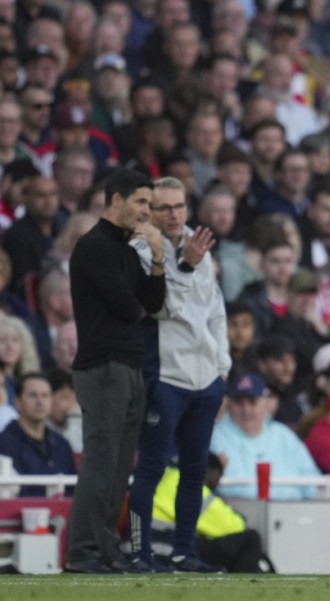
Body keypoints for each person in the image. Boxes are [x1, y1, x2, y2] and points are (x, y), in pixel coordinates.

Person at [65, 168, 166, 575]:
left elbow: (152, 304)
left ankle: (106, 550)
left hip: (128, 363)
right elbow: (127, 307)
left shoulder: (125, 249)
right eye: (141, 201)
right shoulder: (95, 247)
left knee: (120, 465)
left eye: (150, 204)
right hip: (104, 364)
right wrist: (137, 301)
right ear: (116, 200)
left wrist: (158, 259)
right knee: (101, 462)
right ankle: (82, 552)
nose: (147, 212)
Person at [127, 176, 229, 573]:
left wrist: (222, 369)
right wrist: (187, 265)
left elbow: (216, 311)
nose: (173, 214)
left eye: (179, 206)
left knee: (194, 471)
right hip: (165, 376)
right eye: (164, 207)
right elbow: (160, 308)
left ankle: (184, 552)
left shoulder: (197, 245)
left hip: (205, 379)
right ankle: (140, 552)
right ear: (150, 212)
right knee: (151, 468)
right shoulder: (140, 250)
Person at [209, 373, 321, 501]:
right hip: (237, 510)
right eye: (239, 403)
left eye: (252, 403)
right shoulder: (216, 435)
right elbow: (229, 488)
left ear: (265, 404)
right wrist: (288, 495)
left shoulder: (283, 434)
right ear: (229, 404)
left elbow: (312, 481)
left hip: (292, 508)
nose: (246, 410)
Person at [0, 373, 77, 497]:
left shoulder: (62, 444)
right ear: (17, 401)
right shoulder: (4, 443)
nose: (40, 402)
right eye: (33, 395)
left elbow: (73, 490)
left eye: (45, 396)